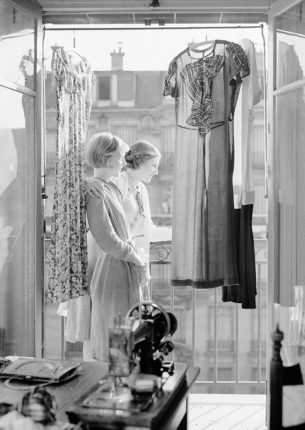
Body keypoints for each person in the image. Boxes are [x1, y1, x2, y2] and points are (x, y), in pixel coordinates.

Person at [82, 132, 150, 361]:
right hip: (112, 272)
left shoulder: (108, 188)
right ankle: (111, 390)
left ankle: (120, 388)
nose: (123, 161)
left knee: (125, 338)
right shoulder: (97, 190)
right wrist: (133, 255)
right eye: (120, 156)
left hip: (121, 271)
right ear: (107, 157)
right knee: (115, 342)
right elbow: (106, 237)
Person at [111, 140, 161, 301]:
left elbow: (149, 230)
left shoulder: (142, 189)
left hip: (137, 262)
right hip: (118, 261)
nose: (156, 172)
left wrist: (182, 233)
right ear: (140, 162)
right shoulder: (118, 183)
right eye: (153, 166)